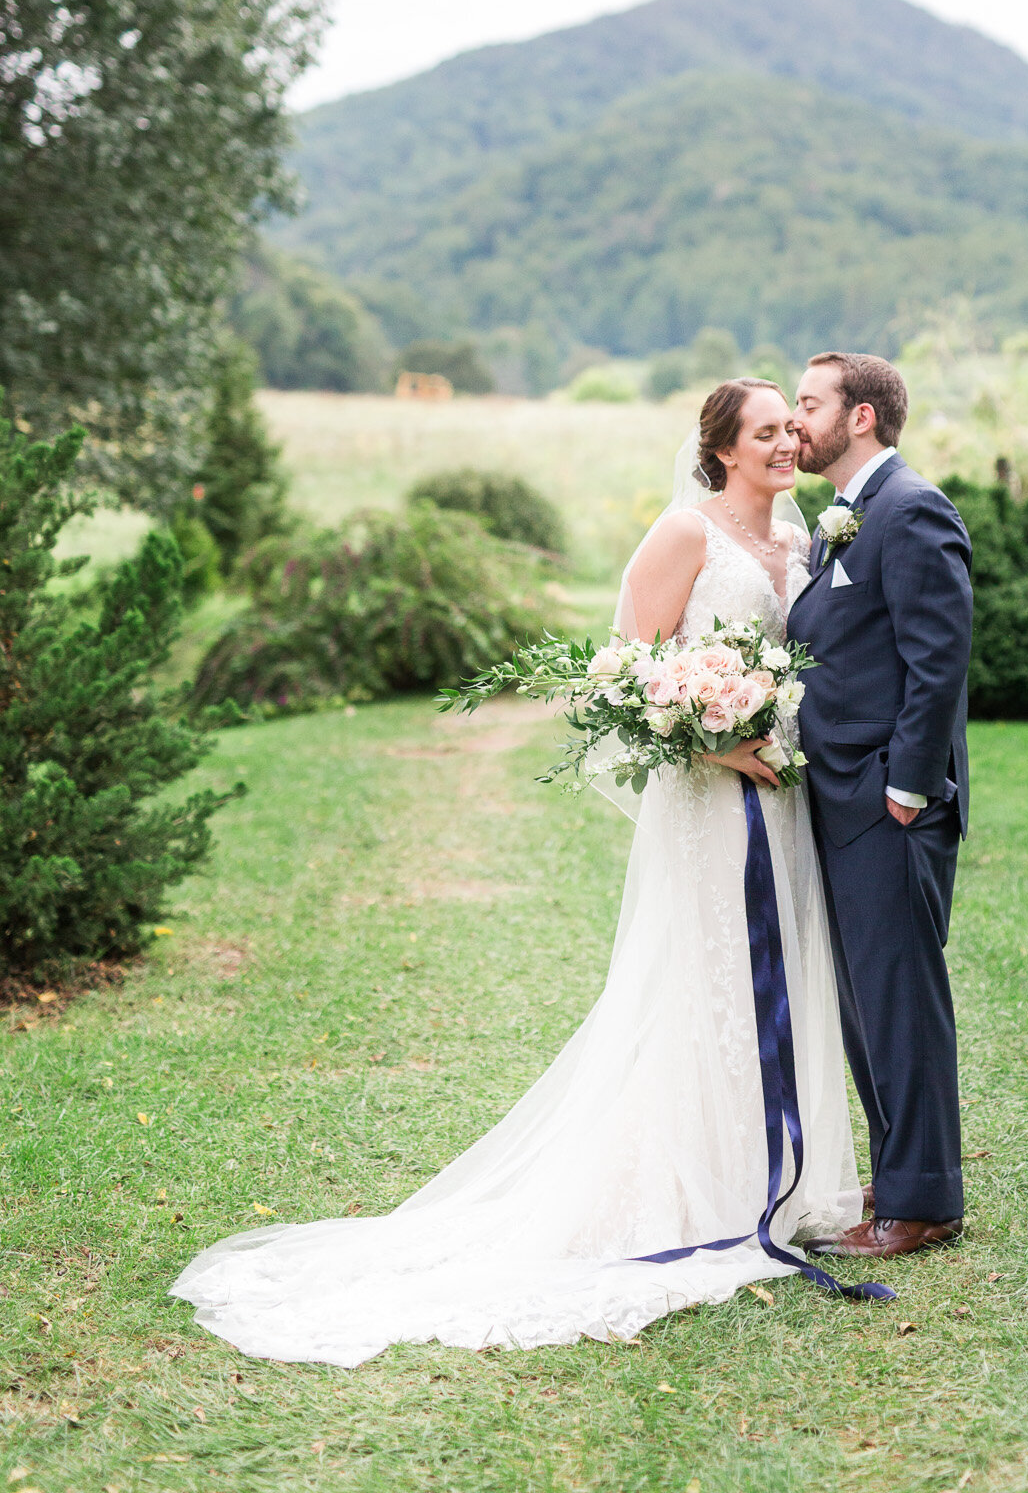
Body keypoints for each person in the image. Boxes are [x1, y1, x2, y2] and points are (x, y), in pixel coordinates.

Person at [170, 379, 861, 1364]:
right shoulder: (683, 533)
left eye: (794, 428)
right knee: (697, 979)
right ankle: (688, 1188)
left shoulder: (798, 542)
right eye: (767, 431)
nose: (788, 441)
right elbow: (623, 668)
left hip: (781, 798)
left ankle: (770, 1177)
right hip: (710, 804)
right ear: (721, 446)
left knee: (775, 977)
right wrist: (711, 740)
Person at [786, 351, 973, 1260]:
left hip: (886, 802)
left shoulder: (911, 508)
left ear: (860, 417)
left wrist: (903, 787)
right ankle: (901, 1172)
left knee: (899, 1000)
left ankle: (923, 1203)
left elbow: (939, 659)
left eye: (809, 403)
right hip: (842, 797)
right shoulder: (844, 519)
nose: (795, 420)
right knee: (866, 1003)